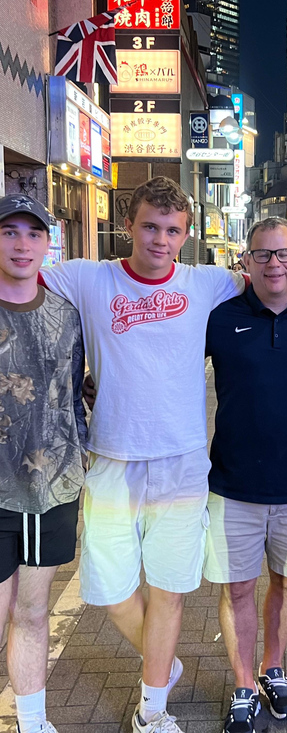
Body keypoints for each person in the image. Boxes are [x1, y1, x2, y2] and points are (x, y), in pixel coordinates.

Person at [52, 177, 287, 733]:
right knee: (127, 589)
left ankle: (195, 692)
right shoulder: (104, 280)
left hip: (231, 471)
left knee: (216, 588)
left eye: (172, 230)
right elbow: (26, 282)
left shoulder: (227, 291)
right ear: (128, 224)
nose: (160, 239)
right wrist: (79, 379)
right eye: (150, 226)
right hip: (157, 466)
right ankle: (201, 671)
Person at [204, 218, 287, 733]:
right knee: (238, 589)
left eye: (284, 254)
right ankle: (243, 684)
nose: (274, 264)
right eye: (262, 255)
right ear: (246, 262)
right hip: (232, 482)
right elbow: (165, 363)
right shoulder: (219, 318)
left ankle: (272, 668)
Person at [0, 194, 86, 733]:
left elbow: (75, 394)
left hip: (52, 487)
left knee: (33, 612)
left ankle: (33, 722)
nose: (23, 244)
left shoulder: (67, 314)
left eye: (34, 234)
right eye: (10, 232)